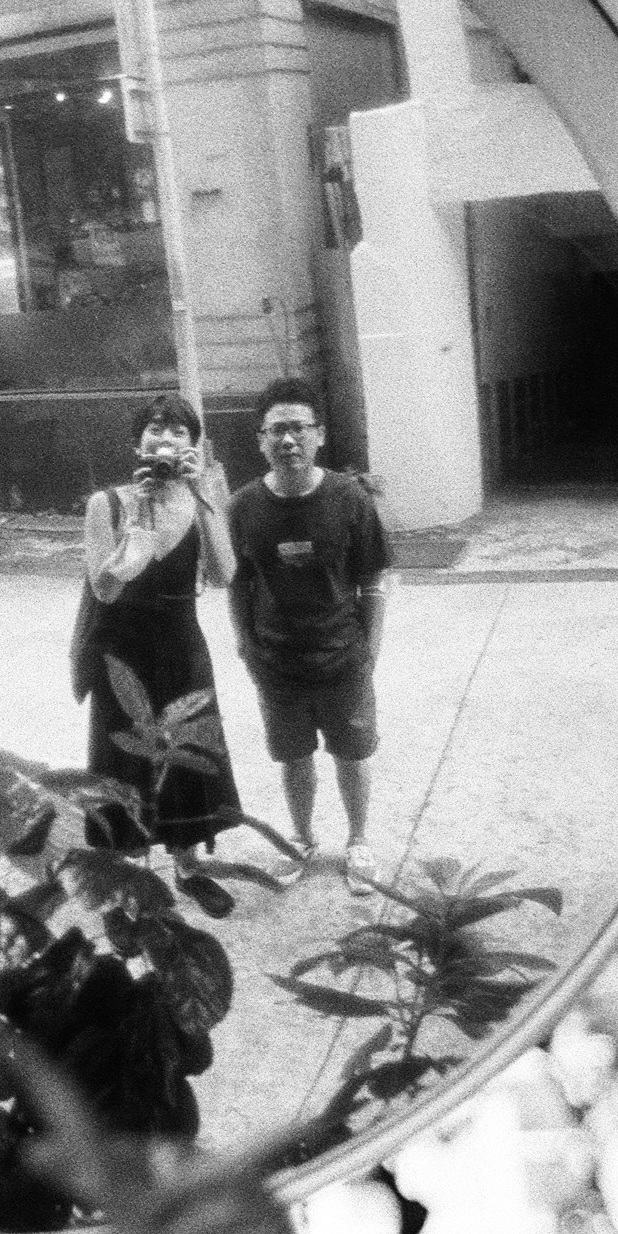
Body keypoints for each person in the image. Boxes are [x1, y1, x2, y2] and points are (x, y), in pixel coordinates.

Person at [225, 377, 389, 890]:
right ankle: (301, 839)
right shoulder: (243, 507)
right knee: (292, 757)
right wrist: (247, 648)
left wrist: (370, 652)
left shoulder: (349, 499)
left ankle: (358, 843)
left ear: (319, 435)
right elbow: (238, 585)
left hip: (344, 658)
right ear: (260, 440)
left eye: (298, 428)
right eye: (276, 430)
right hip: (277, 665)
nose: (288, 440)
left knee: (352, 754)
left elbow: (372, 582)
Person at [71, 392, 238, 871]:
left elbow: (225, 574)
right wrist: (136, 526)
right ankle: (128, 858)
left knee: (186, 746)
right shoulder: (108, 503)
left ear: (192, 446)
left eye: (179, 431)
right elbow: (104, 591)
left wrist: (202, 495)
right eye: (155, 428)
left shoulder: (201, 498)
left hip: (182, 643)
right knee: (122, 751)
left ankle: (187, 854)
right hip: (122, 649)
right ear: (137, 443)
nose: (166, 438)